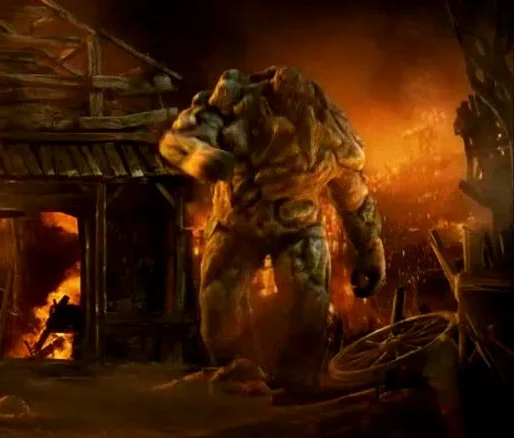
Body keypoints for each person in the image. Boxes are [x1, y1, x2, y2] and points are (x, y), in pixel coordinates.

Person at [159, 67, 386, 394]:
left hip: (298, 226)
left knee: (309, 305)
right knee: (219, 308)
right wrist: (200, 157)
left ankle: (297, 385)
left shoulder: (329, 134)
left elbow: (353, 196)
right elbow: (177, 141)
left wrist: (370, 247)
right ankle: (237, 375)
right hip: (236, 223)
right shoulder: (231, 107)